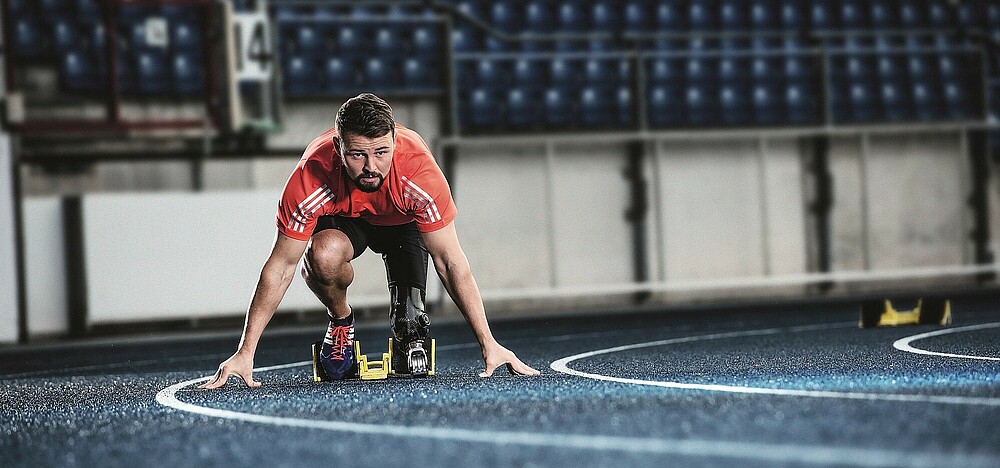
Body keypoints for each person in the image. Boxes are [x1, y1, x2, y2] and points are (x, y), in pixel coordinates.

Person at [200, 93, 539, 389]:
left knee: (409, 320)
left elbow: (451, 263)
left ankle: (409, 330)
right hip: (348, 223)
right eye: (357, 155)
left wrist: (488, 343)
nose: (370, 167)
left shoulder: (419, 174)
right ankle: (341, 322)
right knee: (322, 257)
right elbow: (282, 266)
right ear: (338, 147)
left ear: (395, 139)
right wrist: (246, 352)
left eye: (381, 152)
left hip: (402, 224)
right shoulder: (311, 177)